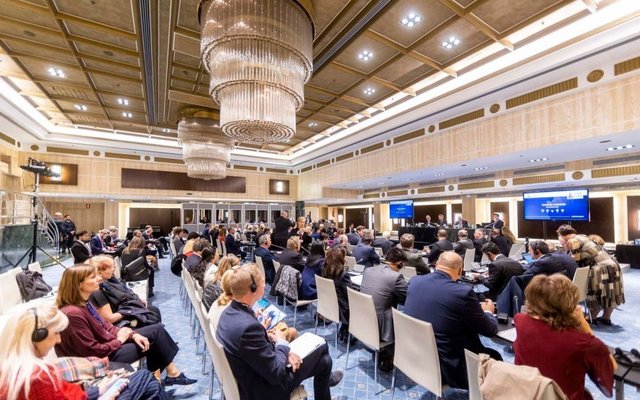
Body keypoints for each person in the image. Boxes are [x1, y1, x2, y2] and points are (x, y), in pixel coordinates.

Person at [55, 264, 197, 387]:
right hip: (98, 361)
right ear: (79, 284)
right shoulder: (73, 314)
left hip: (108, 346)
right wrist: (119, 340)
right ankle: (162, 378)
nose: (98, 278)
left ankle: (163, 377)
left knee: (157, 330)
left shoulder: (84, 304)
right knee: (154, 339)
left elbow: (107, 326)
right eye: (93, 277)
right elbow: (93, 351)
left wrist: (133, 335)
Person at [216, 264, 343, 400]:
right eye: (262, 282)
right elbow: (276, 373)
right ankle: (328, 379)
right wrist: (282, 342)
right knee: (322, 346)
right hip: (265, 389)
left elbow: (255, 350)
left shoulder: (228, 313)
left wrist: (283, 350)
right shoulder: (248, 328)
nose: (264, 284)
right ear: (253, 288)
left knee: (325, 362)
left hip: (254, 375)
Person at [0, 304, 168, 400]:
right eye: (56, 333)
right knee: (147, 379)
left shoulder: (15, 370)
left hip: (87, 394)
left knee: (148, 384)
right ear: (38, 336)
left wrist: (100, 390)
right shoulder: (38, 376)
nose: (58, 340)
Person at [404, 251, 500, 389]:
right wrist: (488, 312)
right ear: (460, 270)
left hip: (414, 356)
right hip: (451, 368)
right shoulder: (463, 293)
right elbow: (490, 330)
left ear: (436, 264)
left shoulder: (414, 281)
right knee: (496, 358)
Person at [514, 274, 615, 400]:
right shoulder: (585, 344)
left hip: (527, 394)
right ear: (570, 305)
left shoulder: (520, 321)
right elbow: (611, 369)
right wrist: (584, 325)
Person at [557, 225, 624, 325]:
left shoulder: (573, 241)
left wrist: (565, 250)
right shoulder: (583, 237)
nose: (561, 243)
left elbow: (574, 260)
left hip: (599, 268)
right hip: (613, 265)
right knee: (611, 293)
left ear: (562, 236)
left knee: (595, 293)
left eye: (561, 241)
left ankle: (592, 317)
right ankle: (606, 318)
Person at [359, 247, 408, 371]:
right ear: (400, 263)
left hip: (362, 321)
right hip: (381, 328)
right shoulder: (396, 277)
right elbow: (407, 297)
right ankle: (389, 357)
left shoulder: (368, 270)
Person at [88, 256, 162, 327]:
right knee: (155, 321)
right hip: (122, 318)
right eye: (111, 267)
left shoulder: (110, 280)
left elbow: (125, 292)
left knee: (154, 310)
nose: (114, 269)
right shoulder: (97, 291)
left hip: (127, 308)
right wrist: (132, 309)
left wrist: (138, 300)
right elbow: (110, 319)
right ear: (99, 272)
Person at [322, 247, 353, 343]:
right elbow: (350, 295)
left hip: (328, 306)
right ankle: (346, 331)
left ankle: (344, 329)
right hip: (341, 310)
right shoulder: (343, 275)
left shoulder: (324, 271)